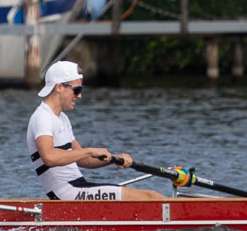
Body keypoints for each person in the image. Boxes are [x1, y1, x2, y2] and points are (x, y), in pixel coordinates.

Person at [26, 60, 166, 201]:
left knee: (150, 197)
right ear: (59, 87)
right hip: (66, 194)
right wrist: (91, 150)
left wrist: (112, 159)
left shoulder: (62, 119)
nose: (79, 96)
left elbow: (83, 160)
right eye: (77, 90)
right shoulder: (42, 117)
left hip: (79, 188)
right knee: (151, 197)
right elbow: (49, 157)